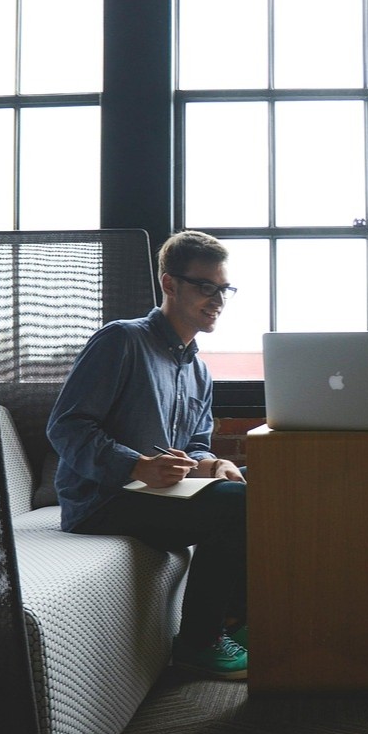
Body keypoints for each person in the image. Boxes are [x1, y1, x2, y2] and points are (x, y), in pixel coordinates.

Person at [47, 229, 248, 680]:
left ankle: (237, 620)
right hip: (103, 501)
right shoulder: (121, 340)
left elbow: (195, 444)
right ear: (169, 283)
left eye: (225, 289)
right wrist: (136, 466)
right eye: (206, 287)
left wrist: (212, 463)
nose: (218, 300)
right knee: (239, 505)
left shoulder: (199, 370)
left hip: (161, 496)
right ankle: (198, 643)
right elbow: (67, 426)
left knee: (264, 485)